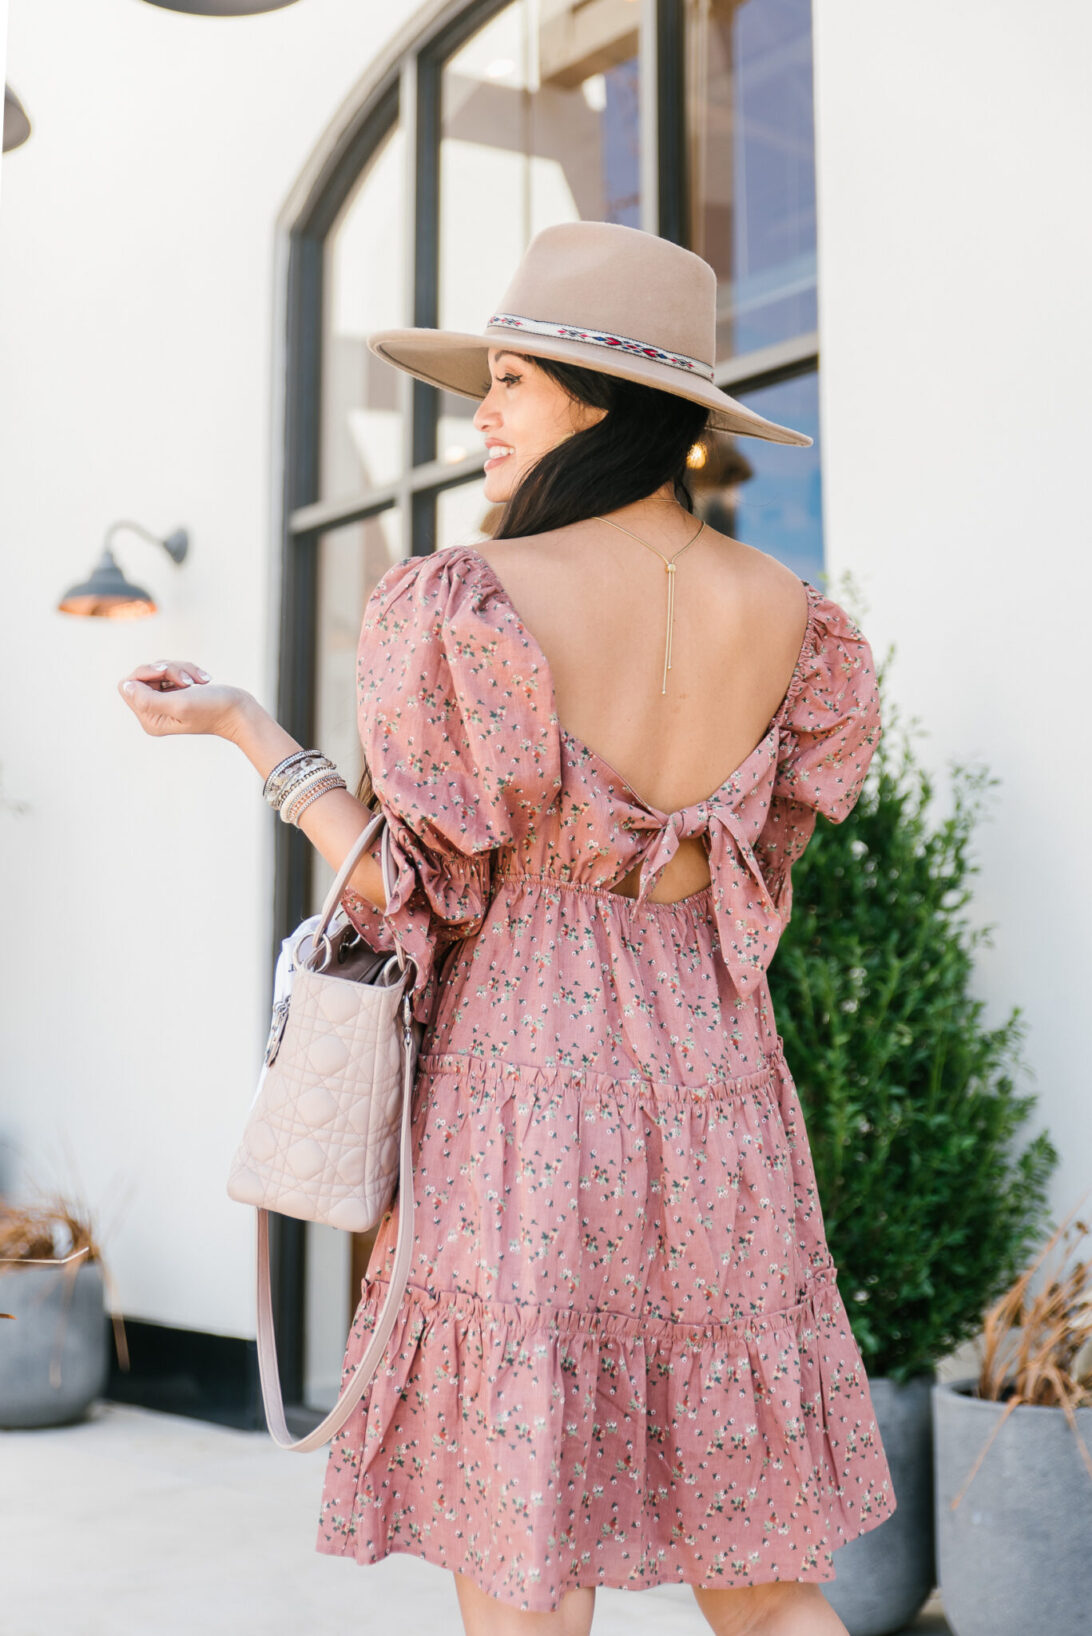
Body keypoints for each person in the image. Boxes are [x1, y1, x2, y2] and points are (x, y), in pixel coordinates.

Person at [117, 221, 893, 1635]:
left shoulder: (468, 600)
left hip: (525, 1089)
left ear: (604, 402)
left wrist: (250, 732)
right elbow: (757, 870)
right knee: (770, 1580)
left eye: (514, 379)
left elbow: (406, 893)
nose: (481, 409)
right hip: (720, 1082)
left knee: (525, 1553)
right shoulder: (797, 620)